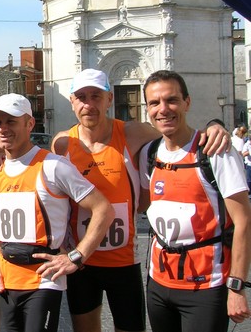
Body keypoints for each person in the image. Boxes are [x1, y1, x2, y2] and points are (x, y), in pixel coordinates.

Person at [52, 68, 232, 332]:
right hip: (81, 263)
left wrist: (216, 125)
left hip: (124, 262)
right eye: (81, 97)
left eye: (96, 96)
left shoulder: (133, 133)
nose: (88, 104)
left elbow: (180, 132)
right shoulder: (62, 143)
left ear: (109, 99)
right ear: (71, 101)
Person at [0, 93, 115, 332]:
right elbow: (3, 231)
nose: (2, 128)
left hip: (43, 281)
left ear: (29, 123)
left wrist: (76, 257)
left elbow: (103, 210)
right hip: (6, 278)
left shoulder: (53, 166)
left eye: (11, 121)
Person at [139, 70, 251, 332]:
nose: (163, 109)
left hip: (205, 286)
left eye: (172, 100)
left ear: (187, 102)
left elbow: (244, 221)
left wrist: (236, 286)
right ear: (147, 109)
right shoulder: (149, 152)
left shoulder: (216, 153)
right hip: (159, 283)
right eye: (154, 103)